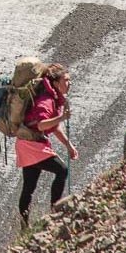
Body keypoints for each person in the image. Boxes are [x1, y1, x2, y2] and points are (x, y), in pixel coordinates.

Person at [16, 63, 79, 229]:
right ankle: (55, 211)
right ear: (57, 83)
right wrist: (62, 118)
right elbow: (42, 124)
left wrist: (69, 146)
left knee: (29, 187)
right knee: (62, 170)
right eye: (66, 80)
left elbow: (53, 127)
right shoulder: (46, 100)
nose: (69, 83)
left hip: (27, 144)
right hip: (32, 145)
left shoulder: (51, 98)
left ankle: (24, 226)